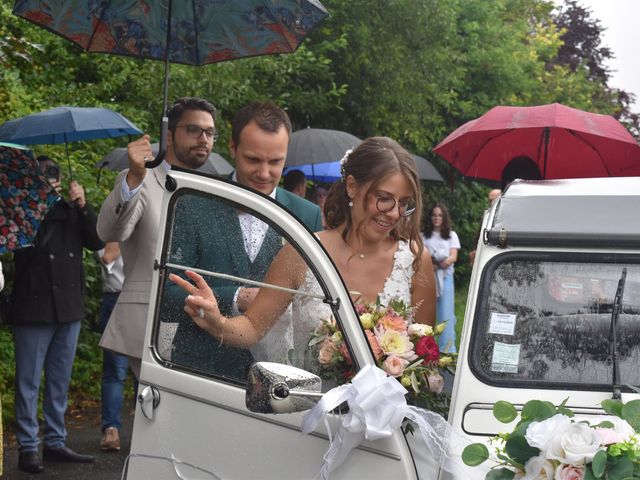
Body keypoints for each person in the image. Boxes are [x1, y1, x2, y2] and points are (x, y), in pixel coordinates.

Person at [168, 136, 436, 364]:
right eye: (384, 199)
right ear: (352, 187)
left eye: (404, 204)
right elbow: (252, 328)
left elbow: (424, 351)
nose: (394, 214)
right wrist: (218, 321)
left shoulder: (413, 260)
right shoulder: (303, 252)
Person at [165, 101, 323, 378]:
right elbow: (167, 295)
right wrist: (235, 297)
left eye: (276, 162)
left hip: (279, 379)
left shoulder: (306, 216)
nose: (264, 173)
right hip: (199, 374)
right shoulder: (192, 203)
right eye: (253, 159)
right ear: (233, 148)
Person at [97, 96, 218, 380]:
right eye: (194, 130)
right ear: (169, 134)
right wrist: (134, 179)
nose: (203, 139)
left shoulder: (211, 189)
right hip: (149, 320)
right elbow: (110, 232)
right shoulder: (140, 178)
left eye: (210, 133)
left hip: (199, 323)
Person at [7, 155, 103, 474]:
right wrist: (39, 203)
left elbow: (96, 240)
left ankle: (55, 441)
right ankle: (29, 446)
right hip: (33, 306)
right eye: (43, 174)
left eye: (53, 173)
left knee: (59, 380)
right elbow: (24, 248)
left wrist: (82, 205)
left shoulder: (71, 209)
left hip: (69, 306)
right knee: (28, 381)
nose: (50, 178)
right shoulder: (18, 212)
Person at [96, 242, 127, 452]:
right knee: (115, 369)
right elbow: (108, 256)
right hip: (117, 298)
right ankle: (111, 430)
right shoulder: (113, 223)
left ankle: (150, 433)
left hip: (151, 297)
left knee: (148, 372)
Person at [422, 203, 460, 353]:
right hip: (427, 278)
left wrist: (443, 263)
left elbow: (453, 256)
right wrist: (432, 265)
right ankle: (426, 348)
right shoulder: (423, 235)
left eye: (439, 215)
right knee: (427, 313)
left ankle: (447, 349)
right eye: (434, 215)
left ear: (444, 218)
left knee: (446, 314)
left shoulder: (451, 235)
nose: (436, 218)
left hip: (445, 278)